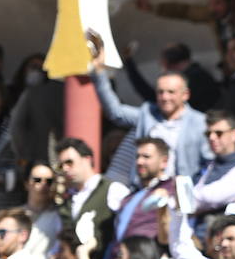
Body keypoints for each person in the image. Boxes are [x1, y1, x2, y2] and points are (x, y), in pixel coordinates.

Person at [91, 38, 212, 183]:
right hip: (145, 192)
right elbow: (115, 112)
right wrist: (98, 72)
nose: (165, 97)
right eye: (160, 92)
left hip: (182, 195)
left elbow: (210, 163)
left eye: (171, 92)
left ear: (185, 95)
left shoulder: (200, 122)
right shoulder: (147, 113)